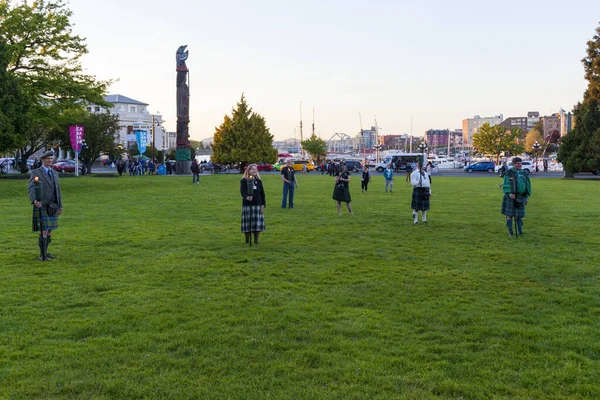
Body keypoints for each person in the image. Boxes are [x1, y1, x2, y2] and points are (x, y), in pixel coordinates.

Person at [27, 150, 63, 261]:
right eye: (48, 159)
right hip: (42, 204)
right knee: (44, 230)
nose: (50, 160)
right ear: (43, 160)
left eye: (51, 159)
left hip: (53, 205)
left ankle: (46, 253)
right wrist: (34, 201)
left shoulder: (55, 173)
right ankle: (42, 255)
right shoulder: (36, 173)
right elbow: (31, 188)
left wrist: (60, 205)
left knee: (50, 229)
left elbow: (58, 191)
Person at [501, 157, 532, 237]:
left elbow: (527, 185)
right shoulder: (509, 173)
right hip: (511, 196)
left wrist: (526, 197)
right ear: (514, 164)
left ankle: (520, 231)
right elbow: (506, 183)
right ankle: (510, 232)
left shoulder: (524, 173)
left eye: (521, 163)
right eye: (518, 163)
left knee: (519, 216)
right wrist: (509, 193)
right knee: (509, 215)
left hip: (521, 197)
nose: (520, 165)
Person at [240, 164, 266, 245]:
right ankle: (247, 240)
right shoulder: (244, 181)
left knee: (257, 223)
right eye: (252, 169)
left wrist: (263, 204)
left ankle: (256, 240)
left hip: (257, 204)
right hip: (248, 204)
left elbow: (262, 193)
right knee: (248, 223)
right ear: (248, 171)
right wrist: (247, 197)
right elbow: (243, 192)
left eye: (255, 169)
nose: (254, 171)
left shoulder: (259, 181)